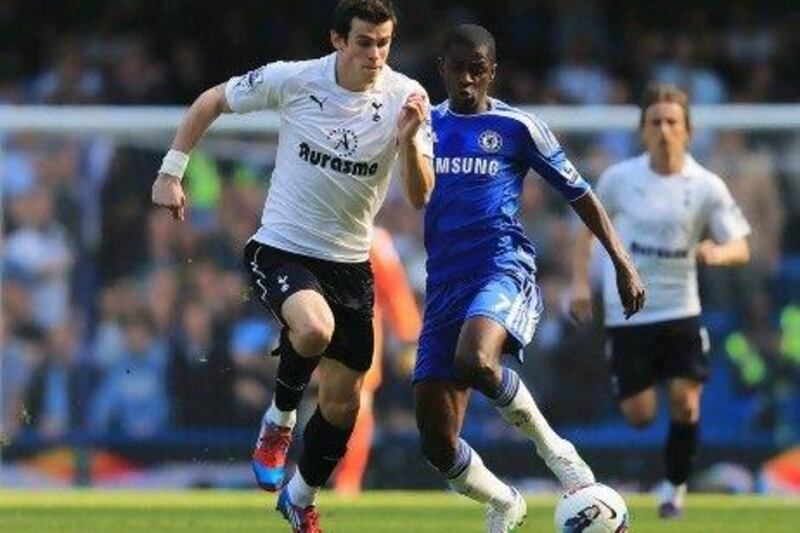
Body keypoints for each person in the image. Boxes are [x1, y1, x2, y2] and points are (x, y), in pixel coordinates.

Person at [151, 1, 434, 530]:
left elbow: (420, 197)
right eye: (364, 42)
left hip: (351, 264)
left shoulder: (408, 98)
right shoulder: (295, 80)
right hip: (283, 246)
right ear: (338, 41)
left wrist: (411, 141)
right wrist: (172, 171)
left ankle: (300, 498)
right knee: (312, 328)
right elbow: (212, 101)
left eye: (384, 43)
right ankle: (279, 419)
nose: (375, 54)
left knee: (344, 406)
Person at [415, 25, 645, 533]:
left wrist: (622, 262)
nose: (468, 79)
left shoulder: (520, 127)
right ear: (442, 70)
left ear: (492, 71)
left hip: (501, 268)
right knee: (436, 442)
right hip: (443, 287)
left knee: (475, 359)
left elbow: (580, 193)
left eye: (479, 69)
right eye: (459, 69)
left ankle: (555, 451)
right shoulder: (423, 126)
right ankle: (503, 501)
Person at [569, 83, 751, 519]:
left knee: (687, 401)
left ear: (687, 131)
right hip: (628, 311)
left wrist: (718, 252)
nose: (665, 130)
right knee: (639, 415)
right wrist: (578, 284)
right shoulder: (619, 179)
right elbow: (585, 229)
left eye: (673, 122)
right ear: (642, 131)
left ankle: (673, 490)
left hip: (681, 308)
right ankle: (660, 458)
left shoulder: (706, 185)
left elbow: (742, 244)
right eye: (656, 122)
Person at [333, 226, 422, 494]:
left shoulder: (374, 239)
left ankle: (346, 483)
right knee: (320, 406)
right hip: (322, 326)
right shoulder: (315, 227)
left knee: (358, 404)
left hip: (361, 329)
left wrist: (408, 337)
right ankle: (316, 478)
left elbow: (395, 290)